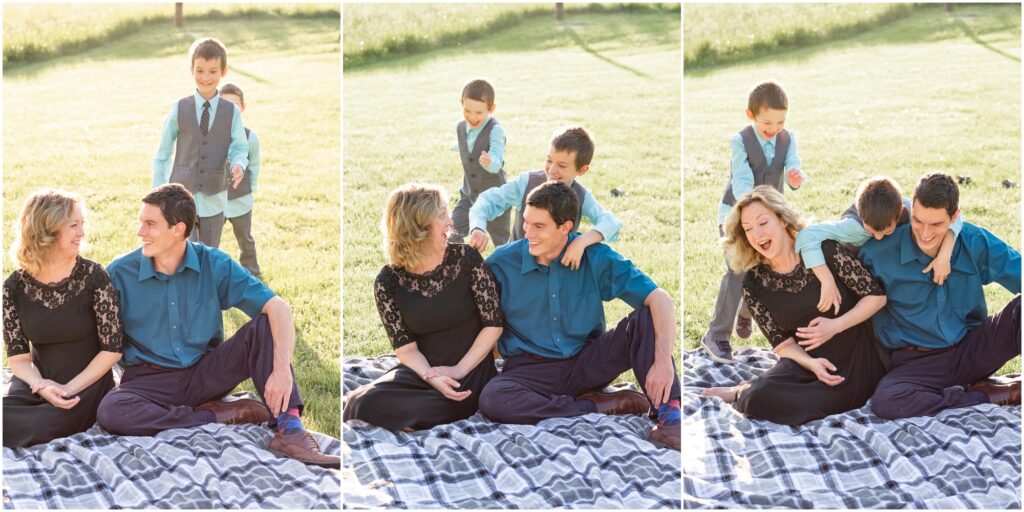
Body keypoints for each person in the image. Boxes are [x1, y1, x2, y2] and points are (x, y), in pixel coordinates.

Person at [96, 184, 338, 468]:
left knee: (263, 325)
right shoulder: (119, 273)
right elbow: (95, 336)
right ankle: (220, 414)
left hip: (205, 373)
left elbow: (279, 308)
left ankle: (291, 431)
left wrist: (282, 369)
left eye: (150, 224)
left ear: (178, 229)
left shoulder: (213, 263)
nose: (140, 232)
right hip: (148, 381)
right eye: (141, 222)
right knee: (112, 411)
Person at [478, 181, 681, 449]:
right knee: (493, 399)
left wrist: (663, 361)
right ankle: (595, 404)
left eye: (539, 226)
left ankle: (672, 421)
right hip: (530, 370)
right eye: (526, 223)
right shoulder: (501, 263)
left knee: (645, 317)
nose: (528, 233)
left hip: (588, 362)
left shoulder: (594, 257)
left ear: (566, 227)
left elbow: (661, 299)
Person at [700, 186, 888, 425]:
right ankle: (742, 391)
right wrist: (811, 363)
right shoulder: (754, 284)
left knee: (825, 398)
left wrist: (835, 326)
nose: (757, 234)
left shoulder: (822, 250)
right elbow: (783, 344)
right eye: (748, 229)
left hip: (853, 360)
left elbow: (876, 297)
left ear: (782, 219)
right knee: (757, 398)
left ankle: (745, 389)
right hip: (805, 362)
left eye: (763, 223)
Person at [860, 173, 1021, 420]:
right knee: (887, 402)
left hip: (971, 348)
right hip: (916, 362)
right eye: (917, 221)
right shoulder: (878, 253)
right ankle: (986, 395)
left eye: (936, 225)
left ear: (954, 218)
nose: (925, 233)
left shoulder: (973, 240)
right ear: (909, 210)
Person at [344, 184, 503, 430]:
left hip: (470, 368)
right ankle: (413, 414)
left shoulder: (466, 259)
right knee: (359, 402)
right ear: (418, 225)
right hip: (422, 372)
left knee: (439, 405)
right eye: (441, 214)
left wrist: (457, 371)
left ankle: (416, 416)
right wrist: (432, 376)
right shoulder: (387, 281)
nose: (450, 221)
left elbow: (493, 326)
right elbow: (406, 350)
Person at [3, 190, 123, 448]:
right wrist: (40, 385)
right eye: (73, 225)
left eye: (82, 224)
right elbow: (19, 358)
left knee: (40, 424)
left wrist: (67, 388)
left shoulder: (94, 277)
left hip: (85, 385)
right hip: (37, 383)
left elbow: (112, 351)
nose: (82, 232)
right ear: (48, 229)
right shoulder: (13, 287)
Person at [702, 80, 807, 364]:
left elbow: (793, 163)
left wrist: (796, 177)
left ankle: (746, 311)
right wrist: (753, 206)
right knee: (738, 270)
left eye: (780, 122)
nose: (774, 130)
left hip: (769, 216)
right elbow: (741, 180)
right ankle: (717, 335)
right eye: (767, 124)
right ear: (750, 115)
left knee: (771, 267)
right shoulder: (740, 141)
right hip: (735, 214)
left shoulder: (788, 139)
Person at [795, 176, 961, 315]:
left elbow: (955, 216)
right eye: (872, 231)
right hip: (851, 271)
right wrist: (827, 280)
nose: (879, 237)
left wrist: (944, 255)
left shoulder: (907, 209)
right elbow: (806, 236)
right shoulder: (852, 226)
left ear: (900, 211)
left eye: (887, 230)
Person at [467, 126, 622, 270]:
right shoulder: (527, 182)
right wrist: (478, 227)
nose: (552, 171)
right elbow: (487, 201)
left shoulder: (581, 196)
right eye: (549, 161)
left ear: (582, 170)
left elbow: (611, 223)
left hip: (553, 272)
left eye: (562, 166)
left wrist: (580, 242)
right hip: (514, 266)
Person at [152, 37, 249, 247]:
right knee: (181, 251)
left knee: (209, 254)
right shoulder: (179, 108)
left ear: (224, 71)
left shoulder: (231, 111)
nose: (206, 77)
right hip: (180, 197)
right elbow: (162, 154)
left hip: (214, 198)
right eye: (200, 70)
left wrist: (239, 163)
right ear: (191, 69)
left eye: (213, 71)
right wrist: (159, 192)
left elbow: (240, 145)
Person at [449, 78, 510, 247]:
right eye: (467, 111)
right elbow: (468, 144)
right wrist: (458, 146)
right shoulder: (460, 126)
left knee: (502, 241)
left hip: (495, 197)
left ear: (491, 109)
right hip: (469, 195)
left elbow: (497, 162)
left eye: (479, 113)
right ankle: (458, 265)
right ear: (461, 104)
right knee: (451, 231)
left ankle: (505, 270)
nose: (472, 117)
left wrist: (489, 161)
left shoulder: (496, 130)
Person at [219, 83, 263, 278]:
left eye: (234, 105)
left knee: (245, 239)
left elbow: (253, 165)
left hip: (241, 201)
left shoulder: (250, 137)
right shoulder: (210, 137)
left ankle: (251, 272)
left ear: (242, 107)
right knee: (209, 242)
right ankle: (208, 274)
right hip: (215, 202)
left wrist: (250, 189)